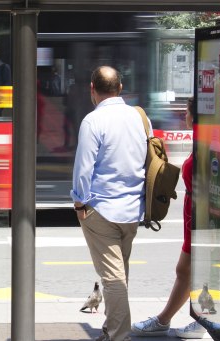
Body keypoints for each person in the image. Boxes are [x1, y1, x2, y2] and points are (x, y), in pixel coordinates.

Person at [71, 66, 148, 341]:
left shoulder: (93, 121)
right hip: (132, 210)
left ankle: (118, 335)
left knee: (113, 278)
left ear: (92, 89)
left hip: (102, 210)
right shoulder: (139, 117)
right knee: (119, 272)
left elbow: (83, 169)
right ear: (121, 87)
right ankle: (109, 330)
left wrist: (80, 204)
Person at [131, 97, 208, 339]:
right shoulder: (202, 139)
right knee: (192, 270)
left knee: (187, 270)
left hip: (201, 218)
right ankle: (201, 321)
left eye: (186, 111)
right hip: (195, 217)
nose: (183, 115)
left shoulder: (207, 140)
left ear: (193, 115)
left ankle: (166, 320)